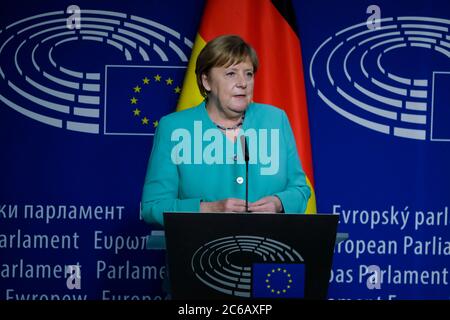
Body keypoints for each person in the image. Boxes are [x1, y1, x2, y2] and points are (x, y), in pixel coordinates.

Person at [141, 34, 311, 227]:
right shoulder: (174, 127)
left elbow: (300, 189)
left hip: (265, 249)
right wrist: (209, 209)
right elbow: (152, 207)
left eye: (248, 73)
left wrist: (279, 203)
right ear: (206, 81)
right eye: (231, 73)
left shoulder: (275, 119)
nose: (243, 83)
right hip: (198, 252)